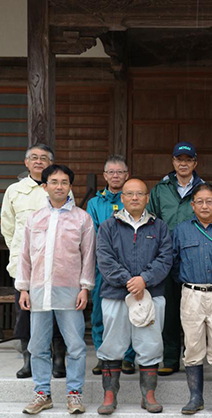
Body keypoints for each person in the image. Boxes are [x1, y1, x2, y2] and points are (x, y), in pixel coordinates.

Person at [16, 164, 95, 415]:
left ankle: (74, 394)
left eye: (64, 182)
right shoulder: (34, 219)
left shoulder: (82, 218)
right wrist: (23, 289)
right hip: (39, 289)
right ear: (45, 186)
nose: (59, 186)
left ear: (70, 186)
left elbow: (88, 256)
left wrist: (85, 288)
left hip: (70, 291)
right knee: (37, 346)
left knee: (76, 346)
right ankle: (42, 394)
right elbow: (25, 256)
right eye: (54, 182)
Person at [95, 179, 173, 415]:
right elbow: (105, 259)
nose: (135, 198)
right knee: (112, 344)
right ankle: (110, 395)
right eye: (129, 194)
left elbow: (165, 258)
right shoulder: (108, 227)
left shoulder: (159, 227)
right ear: (122, 198)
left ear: (147, 198)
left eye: (140, 194)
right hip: (116, 294)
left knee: (150, 344)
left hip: (151, 294)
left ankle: (148, 395)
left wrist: (144, 280)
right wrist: (129, 281)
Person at [1, 144, 68, 379]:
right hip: (25, 264)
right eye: (34, 158)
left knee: (58, 310)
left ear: (51, 163)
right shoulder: (14, 191)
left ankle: (58, 359)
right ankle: (28, 360)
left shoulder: (60, 188)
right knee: (25, 311)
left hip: (57, 263)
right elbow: (8, 228)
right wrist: (19, 252)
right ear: (26, 162)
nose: (39, 161)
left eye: (44, 158)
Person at [173, 183, 212, 416]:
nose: (204, 206)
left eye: (209, 201)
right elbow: (174, 262)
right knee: (192, 346)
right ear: (192, 205)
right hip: (191, 293)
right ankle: (195, 397)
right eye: (199, 201)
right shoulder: (181, 230)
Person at [147, 142, 205, 376]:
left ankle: (194, 359)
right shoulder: (160, 189)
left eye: (188, 160)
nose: (183, 163)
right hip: (166, 258)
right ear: (173, 162)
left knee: (194, 312)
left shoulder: (203, 189)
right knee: (169, 311)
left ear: (195, 163)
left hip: (194, 258)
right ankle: (170, 359)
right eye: (179, 159)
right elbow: (151, 221)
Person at [86, 155, 137, 376]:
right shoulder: (95, 203)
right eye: (111, 172)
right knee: (100, 313)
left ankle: (128, 358)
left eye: (120, 172)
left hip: (132, 266)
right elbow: (92, 235)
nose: (115, 176)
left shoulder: (134, 198)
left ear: (127, 175)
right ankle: (103, 356)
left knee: (131, 312)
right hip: (102, 267)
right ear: (105, 175)